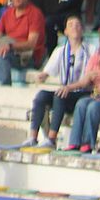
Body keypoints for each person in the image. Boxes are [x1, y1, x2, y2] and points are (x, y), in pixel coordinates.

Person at [23, 16, 91, 148]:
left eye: (77, 25)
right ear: (65, 31)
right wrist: (42, 76)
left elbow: (89, 78)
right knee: (41, 95)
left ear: (82, 30)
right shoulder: (61, 51)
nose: (75, 27)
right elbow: (48, 70)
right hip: (65, 91)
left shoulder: (90, 50)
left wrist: (69, 88)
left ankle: (51, 138)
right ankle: (33, 137)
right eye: (71, 25)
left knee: (59, 94)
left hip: (82, 91)